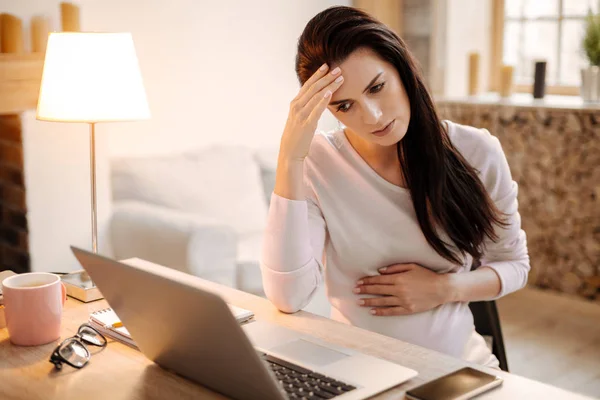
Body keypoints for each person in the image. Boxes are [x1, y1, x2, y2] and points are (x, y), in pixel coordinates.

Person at [260, 6, 530, 368]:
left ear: (401, 69)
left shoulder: (476, 151)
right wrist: (290, 158)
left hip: (456, 368)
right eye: (345, 105)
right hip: (355, 368)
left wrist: (443, 289)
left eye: (376, 87)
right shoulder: (317, 163)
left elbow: (514, 265)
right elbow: (287, 297)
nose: (371, 116)